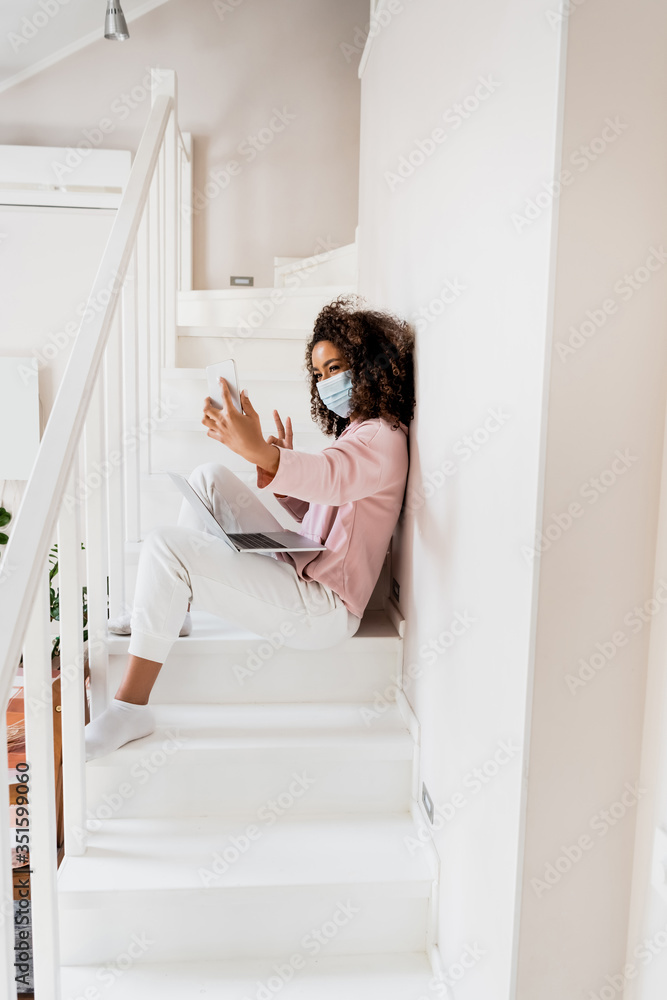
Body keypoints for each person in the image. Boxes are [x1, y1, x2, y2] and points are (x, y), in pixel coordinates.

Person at [84, 295, 415, 760]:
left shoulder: (382, 436)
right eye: (319, 374)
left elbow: (332, 478)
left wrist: (262, 452)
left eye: (336, 367)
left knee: (165, 546)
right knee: (208, 480)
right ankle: (172, 615)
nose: (326, 383)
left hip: (324, 608)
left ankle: (129, 708)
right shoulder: (361, 431)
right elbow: (332, 506)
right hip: (307, 566)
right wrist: (282, 484)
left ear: (369, 365)